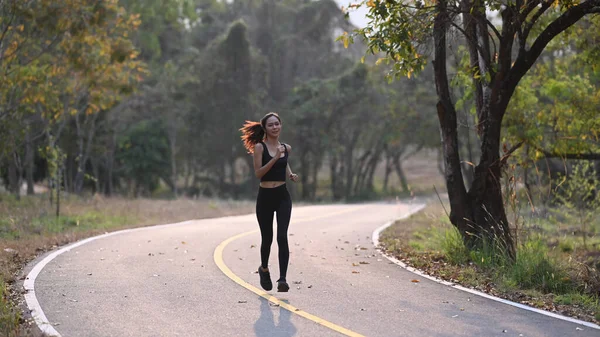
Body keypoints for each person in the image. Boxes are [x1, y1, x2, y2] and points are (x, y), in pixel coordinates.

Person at [240, 112, 299, 292]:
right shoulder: (260, 148)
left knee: (282, 236)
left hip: (282, 196)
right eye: (271, 125)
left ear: (281, 125)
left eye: (277, 124)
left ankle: (282, 279)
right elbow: (258, 173)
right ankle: (264, 268)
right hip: (265, 197)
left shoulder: (286, 148)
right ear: (265, 128)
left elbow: (285, 163)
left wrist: (290, 174)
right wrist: (274, 158)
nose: (275, 127)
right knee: (267, 238)